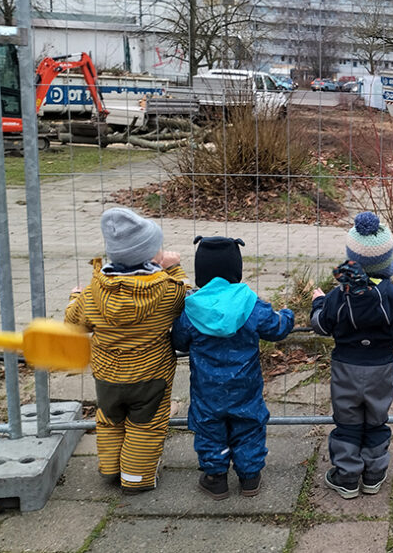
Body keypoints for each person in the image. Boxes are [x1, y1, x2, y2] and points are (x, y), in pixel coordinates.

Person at [66, 207, 186, 494]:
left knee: (110, 418)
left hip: (107, 375)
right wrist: (174, 268)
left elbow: (73, 324)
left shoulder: (93, 293)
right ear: (150, 257)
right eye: (157, 249)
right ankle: (135, 478)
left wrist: (74, 296)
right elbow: (185, 298)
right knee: (146, 426)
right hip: (151, 377)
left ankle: (110, 469)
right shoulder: (166, 291)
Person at [171, 236, 294, 500]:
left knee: (209, 427)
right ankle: (250, 477)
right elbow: (276, 328)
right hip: (245, 386)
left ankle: (216, 478)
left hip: (207, 389)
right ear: (235, 269)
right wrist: (288, 315)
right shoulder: (249, 304)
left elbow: (179, 339)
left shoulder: (192, 308)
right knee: (249, 425)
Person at [310, 211, 393, 500]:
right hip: (381, 368)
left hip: (346, 369)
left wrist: (318, 303)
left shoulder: (339, 296)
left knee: (348, 422)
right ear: (387, 262)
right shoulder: (392, 297)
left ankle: (347, 476)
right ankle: (374, 474)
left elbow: (321, 325)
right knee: (376, 420)